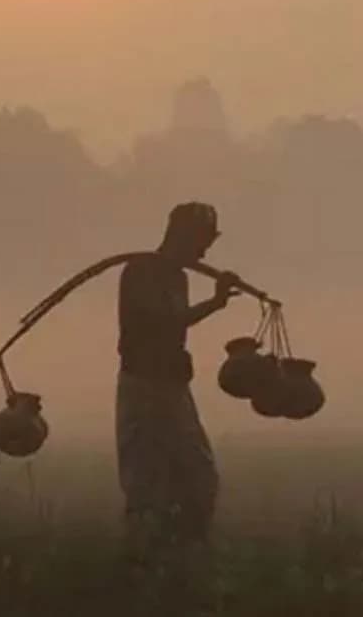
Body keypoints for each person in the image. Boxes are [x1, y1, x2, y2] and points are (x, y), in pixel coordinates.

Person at [115, 202, 240, 574]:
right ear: (181, 236)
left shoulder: (178, 277)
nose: (204, 252)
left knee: (199, 477)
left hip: (172, 389)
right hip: (143, 388)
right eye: (201, 241)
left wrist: (216, 302)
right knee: (144, 482)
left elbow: (174, 326)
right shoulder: (141, 271)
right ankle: (139, 566)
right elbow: (163, 322)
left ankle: (189, 558)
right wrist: (215, 303)